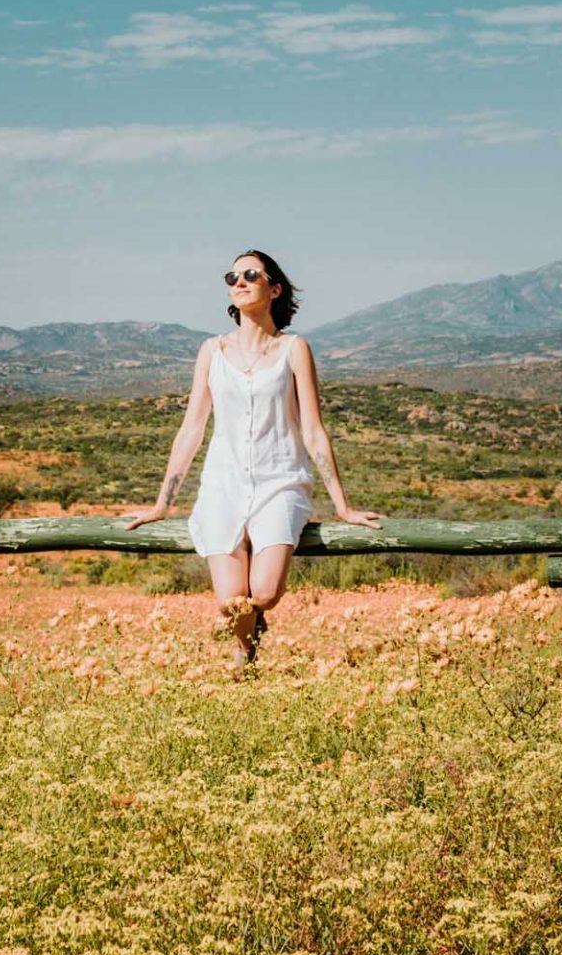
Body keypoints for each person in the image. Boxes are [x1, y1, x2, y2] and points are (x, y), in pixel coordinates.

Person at [126, 250, 380, 667]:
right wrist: (162, 504)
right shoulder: (212, 351)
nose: (239, 282)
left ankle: (252, 633)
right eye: (232, 276)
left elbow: (314, 430)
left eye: (250, 274)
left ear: (274, 288)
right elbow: (191, 429)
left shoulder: (294, 349)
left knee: (262, 594)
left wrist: (343, 506)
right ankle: (247, 658)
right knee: (231, 601)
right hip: (222, 487)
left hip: (280, 482)